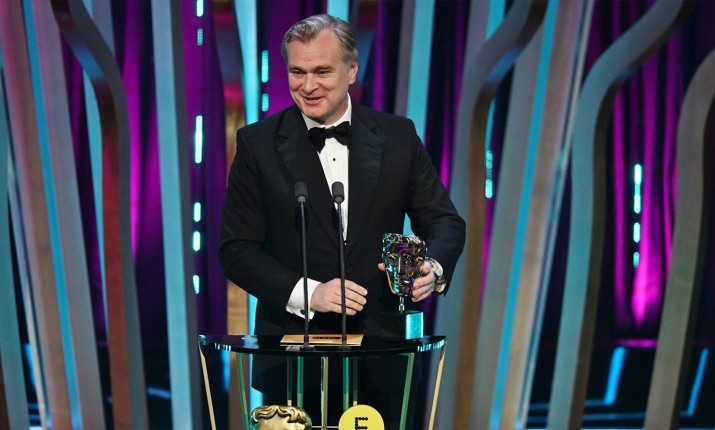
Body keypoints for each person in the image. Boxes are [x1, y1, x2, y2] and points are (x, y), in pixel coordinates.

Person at [219, 14, 465, 427]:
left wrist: (433, 269)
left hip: (382, 354)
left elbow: (444, 221)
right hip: (291, 357)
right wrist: (310, 294)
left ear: (351, 70)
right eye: (297, 72)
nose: (308, 85)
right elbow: (236, 250)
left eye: (322, 71)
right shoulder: (257, 144)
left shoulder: (398, 136)